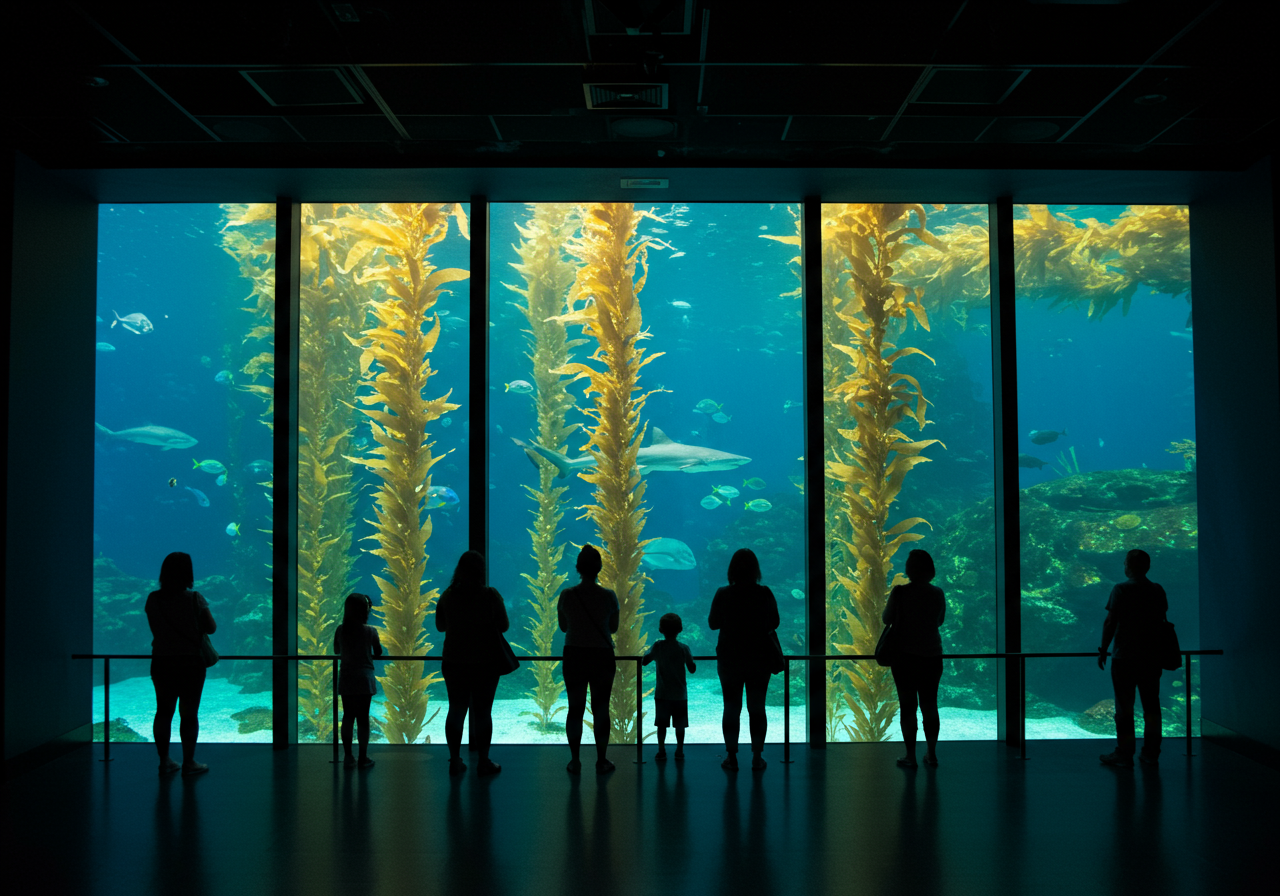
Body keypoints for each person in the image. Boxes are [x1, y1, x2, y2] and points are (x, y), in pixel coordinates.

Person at [435, 550, 510, 776]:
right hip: (485, 661)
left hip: (454, 660)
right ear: (481, 571)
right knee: (483, 712)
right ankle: (483, 761)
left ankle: (455, 760)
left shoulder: (448, 596)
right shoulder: (490, 595)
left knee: (456, 710)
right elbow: (504, 625)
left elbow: (440, 626)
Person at [144, 551, 216, 776]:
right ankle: (189, 762)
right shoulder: (194, 598)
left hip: (162, 661)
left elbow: (155, 629)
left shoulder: (153, 598)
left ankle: (164, 761)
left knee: (163, 712)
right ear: (188, 573)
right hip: (190, 662)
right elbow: (211, 627)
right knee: (189, 714)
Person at [708, 548, 780, 771]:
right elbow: (775, 622)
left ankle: (732, 757)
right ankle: (757, 757)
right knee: (757, 707)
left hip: (730, 658)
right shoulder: (764, 593)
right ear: (756, 570)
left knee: (731, 707)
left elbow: (713, 623)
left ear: (731, 571)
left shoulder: (723, 593)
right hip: (759, 657)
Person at [1098, 548, 1168, 768]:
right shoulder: (1157, 589)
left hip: (1125, 656)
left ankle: (1125, 753)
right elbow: (1162, 621)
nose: (1124, 566)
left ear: (1129, 566)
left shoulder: (1121, 589)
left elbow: (1111, 621)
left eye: (1126, 562)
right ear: (1147, 567)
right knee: (1152, 707)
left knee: (1124, 708)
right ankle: (1151, 752)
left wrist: (1103, 649)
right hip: (1151, 657)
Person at [558, 544, 620, 774]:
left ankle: (575, 760)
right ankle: (601, 760)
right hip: (602, 656)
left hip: (574, 655)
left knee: (575, 709)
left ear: (578, 568)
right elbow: (613, 628)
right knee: (601, 708)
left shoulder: (567, 595)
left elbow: (563, 627)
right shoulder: (608, 596)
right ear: (599, 568)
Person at [883, 549, 947, 768]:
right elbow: (940, 621)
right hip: (932, 656)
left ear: (909, 569)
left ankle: (910, 756)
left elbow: (886, 618)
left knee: (908, 707)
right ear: (931, 570)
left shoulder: (900, 592)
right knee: (930, 705)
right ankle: (932, 753)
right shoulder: (937, 592)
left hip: (904, 657)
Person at [335, 592, 383, 769]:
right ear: (365, 611)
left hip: (347, 676)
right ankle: (363, 758)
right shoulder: (370, 631)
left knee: (348, 716)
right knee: (363, 719)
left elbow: (336, 650)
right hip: (364, 678)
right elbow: (378, 652)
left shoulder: (341, 630)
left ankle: (348, 756)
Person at [643, 612, 697, 761]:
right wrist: (692, 662)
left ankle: (661, 751)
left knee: (661, 725)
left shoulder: (658, 646)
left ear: (661, 629)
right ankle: (679, 750)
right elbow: (692, 669)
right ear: (680, 629)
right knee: (680, 725)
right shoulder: (684, 648)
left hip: (662, 694)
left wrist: (648, 651)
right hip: (680, 694)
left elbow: (645, 661)